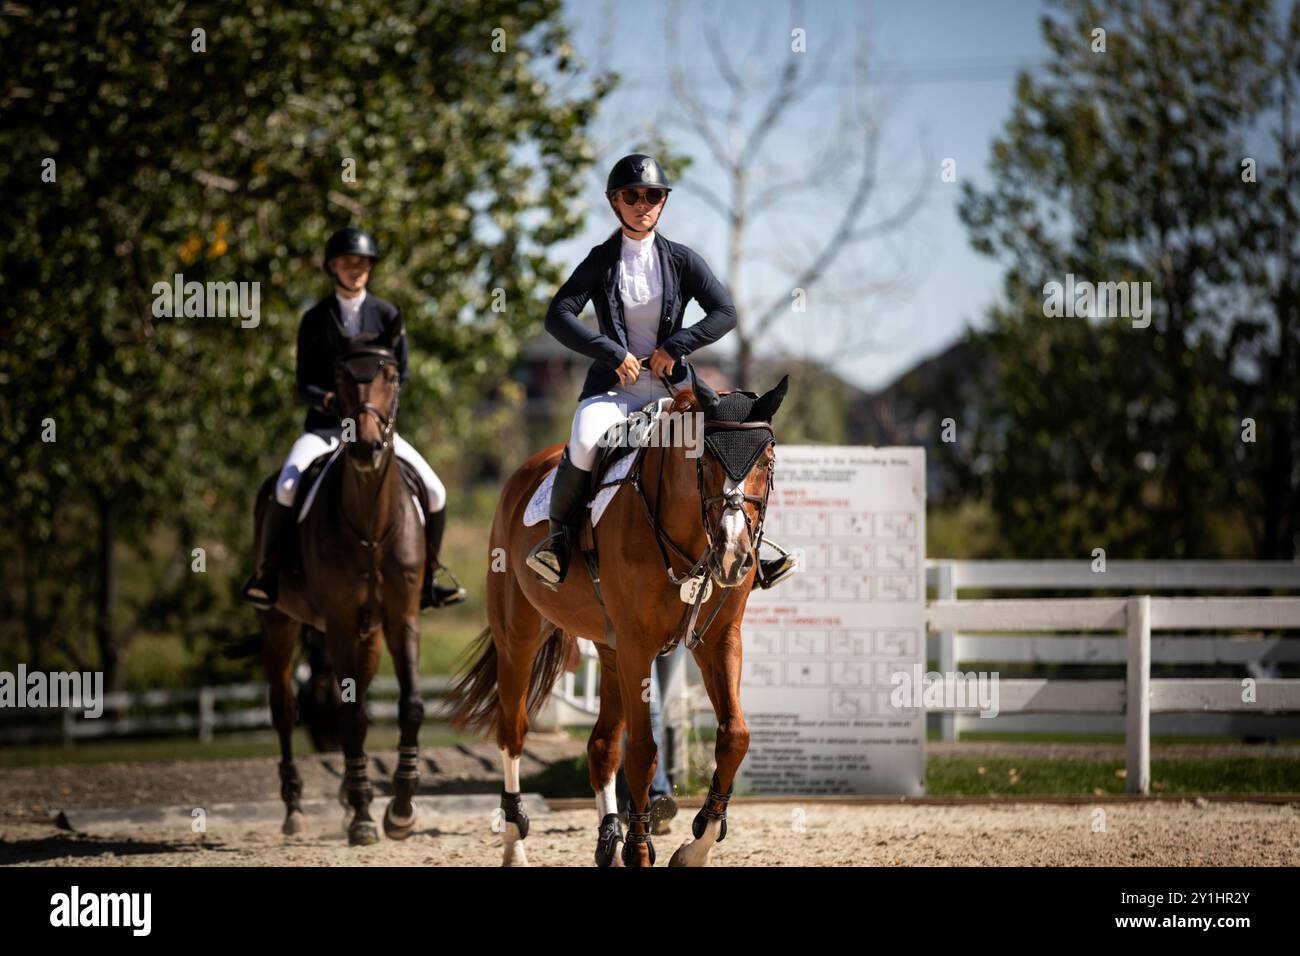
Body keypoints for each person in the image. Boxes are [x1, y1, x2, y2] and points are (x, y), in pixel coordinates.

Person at [526, 153, 796, 588]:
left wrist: (677, 345)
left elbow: (725, 311)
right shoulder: (600, 260)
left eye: (652, 195)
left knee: (727, 440)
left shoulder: (682, 260)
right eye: (632, 195)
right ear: (616, 202)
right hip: (615, 394)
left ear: (662, 202)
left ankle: (756, 548)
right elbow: (558, 314)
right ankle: (558, 544)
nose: (642, 203)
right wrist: (612, 353)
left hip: (675, 392)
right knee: (583, 435)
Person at [242, 226, 466, 611]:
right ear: (334, 268)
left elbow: (403, 375)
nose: (355, 269)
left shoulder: (387, 314)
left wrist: (377, 416)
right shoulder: (315, 318)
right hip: (326, 428)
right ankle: (268, 574)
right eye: (347, 263)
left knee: (435, 490)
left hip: (375, 430)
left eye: (361, 263)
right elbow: (302, 383)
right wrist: (331, 400)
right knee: (285, 486)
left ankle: (429, 578)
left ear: (370, 268)